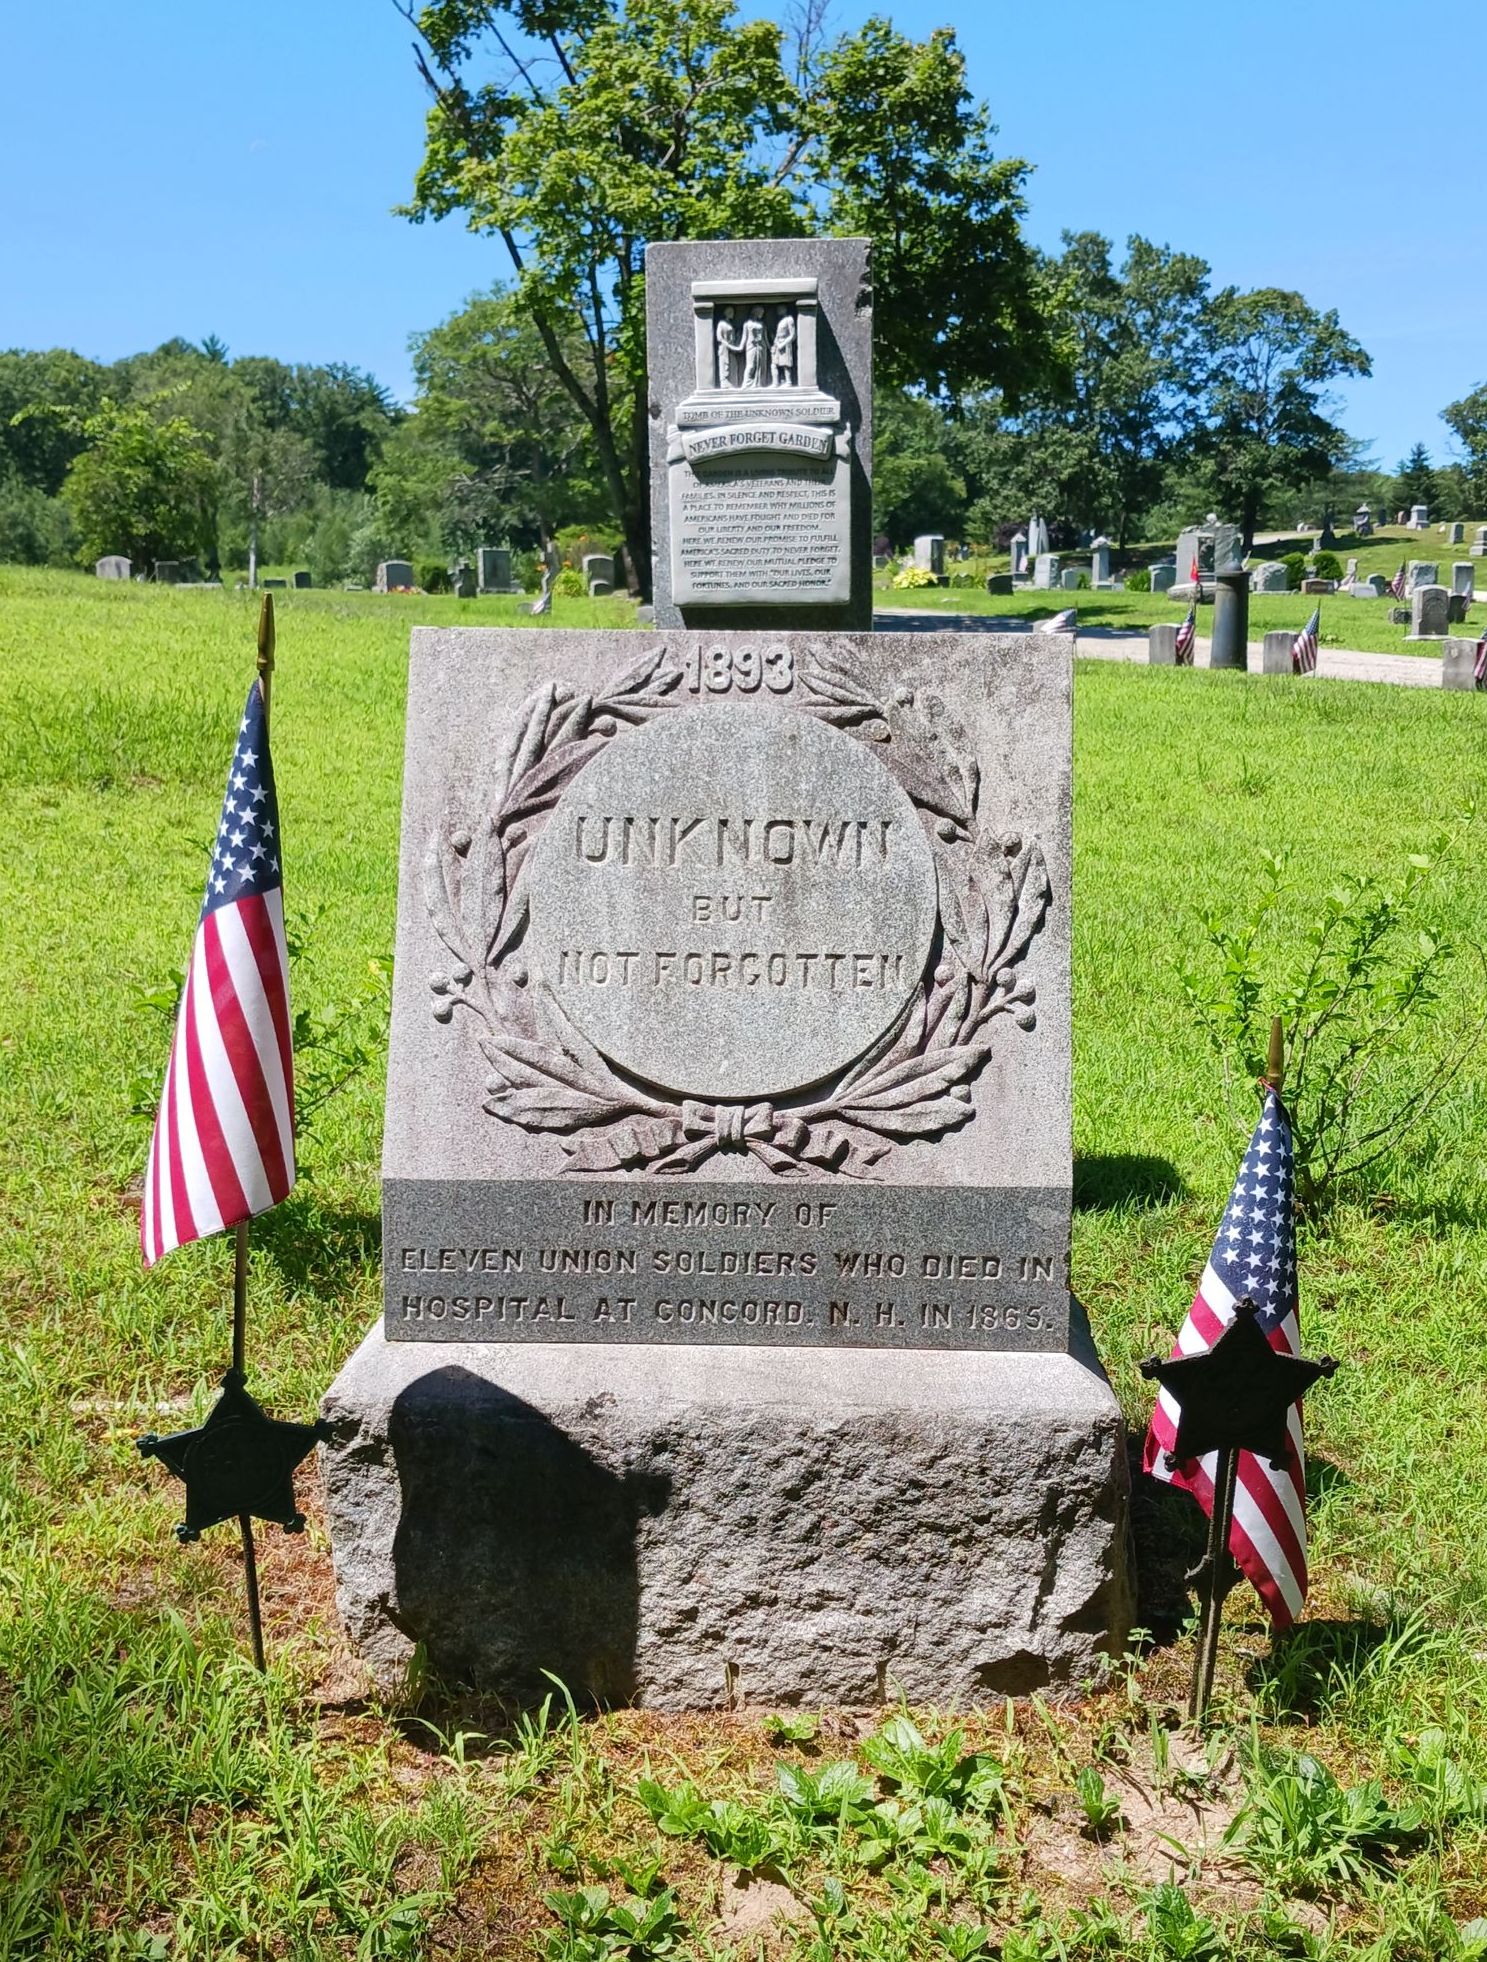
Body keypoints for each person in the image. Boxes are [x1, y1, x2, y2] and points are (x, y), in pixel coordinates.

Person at [740, 306, 767, 388]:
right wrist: (740, 347)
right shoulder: (747, 324)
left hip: (762, 347)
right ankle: (746, 384)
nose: (762, 314)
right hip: (751, 346)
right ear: (756, 312)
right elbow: (744, 338)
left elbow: (765, 338)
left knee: (761, 366)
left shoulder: (762, 324)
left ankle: (759, 384)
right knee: (751, 366)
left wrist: (771, 347)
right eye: (761, 312)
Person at [715, 308, 742, 389]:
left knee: (733, 365)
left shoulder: (730, 323)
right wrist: (728, 345)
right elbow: (719, 337)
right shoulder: (721, 323)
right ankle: (725, 383)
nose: (732, 314)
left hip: (732, 349)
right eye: (731, 312)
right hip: (725, 349)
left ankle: (733, 383)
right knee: (725, 365)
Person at [770, 310, 796, 388]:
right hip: (777, 343)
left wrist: (783, 344)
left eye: (780, 308)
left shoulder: (789, 319)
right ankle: (775, 383)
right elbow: (778, 334)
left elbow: (793, 335)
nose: (778, 309)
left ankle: (788, 382)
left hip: (785, 344)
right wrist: (774, 344)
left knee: (786, 364)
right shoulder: (780, 320)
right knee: (774, 364)